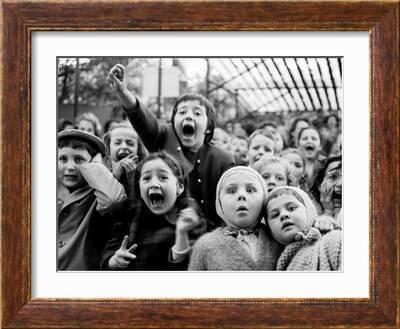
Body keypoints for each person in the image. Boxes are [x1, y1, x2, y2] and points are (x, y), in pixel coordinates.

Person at [107, 64, 235, 230]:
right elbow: (144, 120)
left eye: (197, 113)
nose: (188, 116)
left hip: (211, 236)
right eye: (182, 112)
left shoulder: (223, 159)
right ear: (173, 122)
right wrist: (123, 92)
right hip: (166, 234)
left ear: (209, 127)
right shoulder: (164, 138)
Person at [101, 152, 206, 270]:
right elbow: (109, 250)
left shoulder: (190, 217)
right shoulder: (129, 215)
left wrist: (181, 234)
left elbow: (192, 268)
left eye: (163, 177)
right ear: (140, 188)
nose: (154, 184)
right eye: (146, 178)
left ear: (179, 187)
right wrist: (113, 261)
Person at [57, 129, 127, 270]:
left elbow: (113, 199)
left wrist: (96, 166)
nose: (70, 167)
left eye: (79, 160)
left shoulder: (97, 193)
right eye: (63, 159)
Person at [188, 166, 281, 271]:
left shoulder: (278, 237)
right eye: (231, 191)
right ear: (219, 202)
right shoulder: (205, 246)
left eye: (250, 190)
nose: (241, 195)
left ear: (264, 198)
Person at [265, 186, 342, 271]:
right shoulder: (271, 265)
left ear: (308, 211)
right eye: (275, 215)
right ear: (269, 230)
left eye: (291, 208)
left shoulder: (333, 241)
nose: (283, 215)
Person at [103, 123, 146, 200]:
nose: (124, 146)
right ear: (109, 147)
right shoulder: (100, 170)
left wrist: (131, 179)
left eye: (130, 143)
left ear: (138, 150)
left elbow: (136, 208)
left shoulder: (144, 172)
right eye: (117, 143)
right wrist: (115, 177)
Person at [310, 155, 342, 220]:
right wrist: (328, 212)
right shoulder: (307, 211)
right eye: (333, 177)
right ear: (319, 185)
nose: (340, 184)